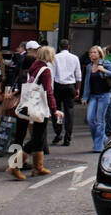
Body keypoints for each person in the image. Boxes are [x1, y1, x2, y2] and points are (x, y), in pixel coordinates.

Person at [10, 44, 58, 180]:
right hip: (39, 106)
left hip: (28, 104)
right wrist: (54, 109)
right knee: (37, 137)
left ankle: (38, 167)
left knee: (35, 136)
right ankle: (15, 166)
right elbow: (48, 92)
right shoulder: (45, 70)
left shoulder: (33, 67)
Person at [83, 45, 111, 152]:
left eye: (95, 52)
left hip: (104, 95)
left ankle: (98, 146)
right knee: (90, 119)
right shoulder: (89, 66)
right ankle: (103, 139)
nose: (93, 54)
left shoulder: (105, 63)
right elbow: (87, 83)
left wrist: (103, 70)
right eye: (91, 52)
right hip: (93, 96)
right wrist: (84, 97)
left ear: (99, 54)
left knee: (100, 120)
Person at [52, 38, 82, 146]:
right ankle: (67, 136)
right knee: (69, 111)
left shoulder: (55, 57)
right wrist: (78, 89)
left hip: (58, 86)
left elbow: (53, 74)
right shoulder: (75, 58)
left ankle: (58, 131)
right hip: (70, 86)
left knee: (57, 110)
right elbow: (78, 75)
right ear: (68, 46)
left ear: (59, 47)